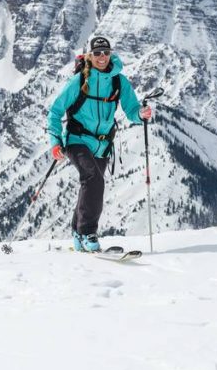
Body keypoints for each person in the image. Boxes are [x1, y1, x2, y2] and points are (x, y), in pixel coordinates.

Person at [47, 35, 152, 252]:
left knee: (90, 184)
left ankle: (77, 233)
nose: (102, 57)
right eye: (97, 53)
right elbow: (55, 112)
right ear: (90, 56)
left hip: (103, 145)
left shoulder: (118, 81)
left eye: (105, 52)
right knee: (94, 180)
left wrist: (141, 114)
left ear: (110, 54)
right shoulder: (80, 81)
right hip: (77, 141)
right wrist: (56, 142)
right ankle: (88, 233)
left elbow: (131, 109)